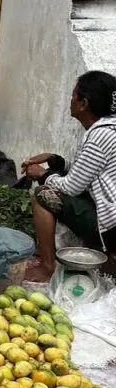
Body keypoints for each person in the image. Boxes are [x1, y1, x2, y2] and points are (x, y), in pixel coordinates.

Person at [23, 71, 116, 282]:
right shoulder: (110, 128)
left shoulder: (99, 136)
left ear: (84, 103)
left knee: (44, 195)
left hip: (111, 228)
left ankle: (47, 267)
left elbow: (72, 186)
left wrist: (43, 174)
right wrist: (55, 159)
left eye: (74, 95)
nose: (70, 99)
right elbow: (87, 170)